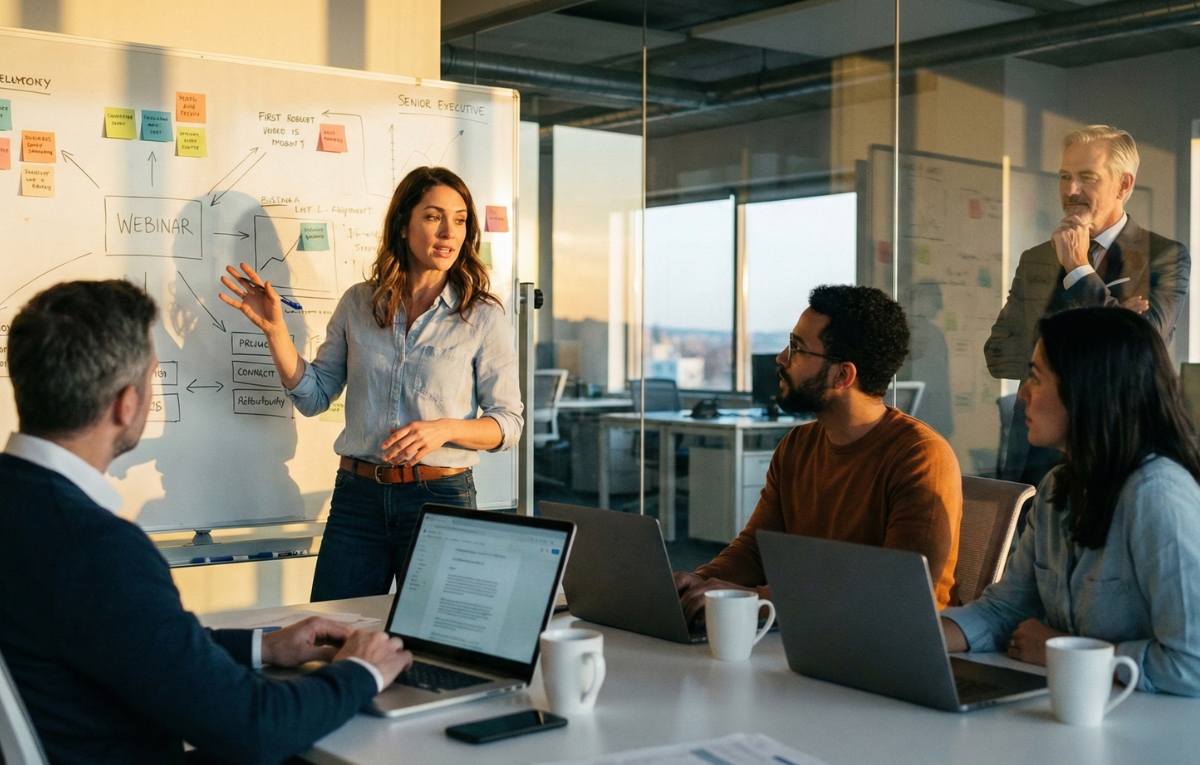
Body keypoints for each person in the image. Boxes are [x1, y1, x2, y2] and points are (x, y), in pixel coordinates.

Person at [0, 280, 413, 764]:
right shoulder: (97, 549)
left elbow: (136, 642)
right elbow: (255, 727)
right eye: (154, 376)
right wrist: (361, 671)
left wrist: (265, 646)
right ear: (126, 403)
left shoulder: (23, 508)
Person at [220, 166, 523, 602]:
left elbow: (508, 423)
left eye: (459, 220)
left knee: (436, 639)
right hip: (357, 500)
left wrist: (446, 428)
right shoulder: (359, 303)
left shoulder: (482, 316)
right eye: (433, 216)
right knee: (335, 631)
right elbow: (315, 396)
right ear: (403, 224)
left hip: (440, 498)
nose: (448, 232)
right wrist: (276, 333)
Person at [944, 307, 1200, 695]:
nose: (1023, 394)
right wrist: (907, 637)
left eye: (1035, 376)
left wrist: (1059, 650)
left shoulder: (1157, 496)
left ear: (1087, 390)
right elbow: (1004, 612)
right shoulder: (1056, 486)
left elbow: (1192, 662)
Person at [674, 285, 963, 621]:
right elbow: (756, 550)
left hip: (892, 648)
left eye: (797, 349)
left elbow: (897, 590)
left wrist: (750, 599)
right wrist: (700, 582)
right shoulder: (797, 446)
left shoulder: (920, 457)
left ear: (843, 375)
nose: (781, 359)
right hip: (807, 631)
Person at [986, 125, 1190, 486]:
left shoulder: (1163, 256)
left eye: (1087, 178)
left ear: (1124, 185)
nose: (1070, 190)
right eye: (1064, 176)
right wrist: (1114, 318)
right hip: (1033, 460)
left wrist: (1079, 270)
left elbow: (1143, 351)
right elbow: (998, 354)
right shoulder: (1036, 260)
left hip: (1116, 453)